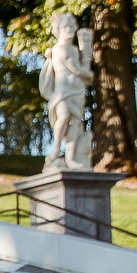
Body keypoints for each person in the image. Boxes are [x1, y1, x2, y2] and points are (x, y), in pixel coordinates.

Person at [41, 12, 93, 171]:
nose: (69, 29)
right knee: (62, 117)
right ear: (58, 30)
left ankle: (70, 159)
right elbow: (77, 70)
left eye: (71, 26)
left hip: (76, 92)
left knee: (75, 125)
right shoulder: (60, 49)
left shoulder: (74, 50)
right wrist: (89, 74)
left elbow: (80, 71)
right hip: (63, 93)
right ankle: (56, 150)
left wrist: (86, 57)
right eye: (66, 26)